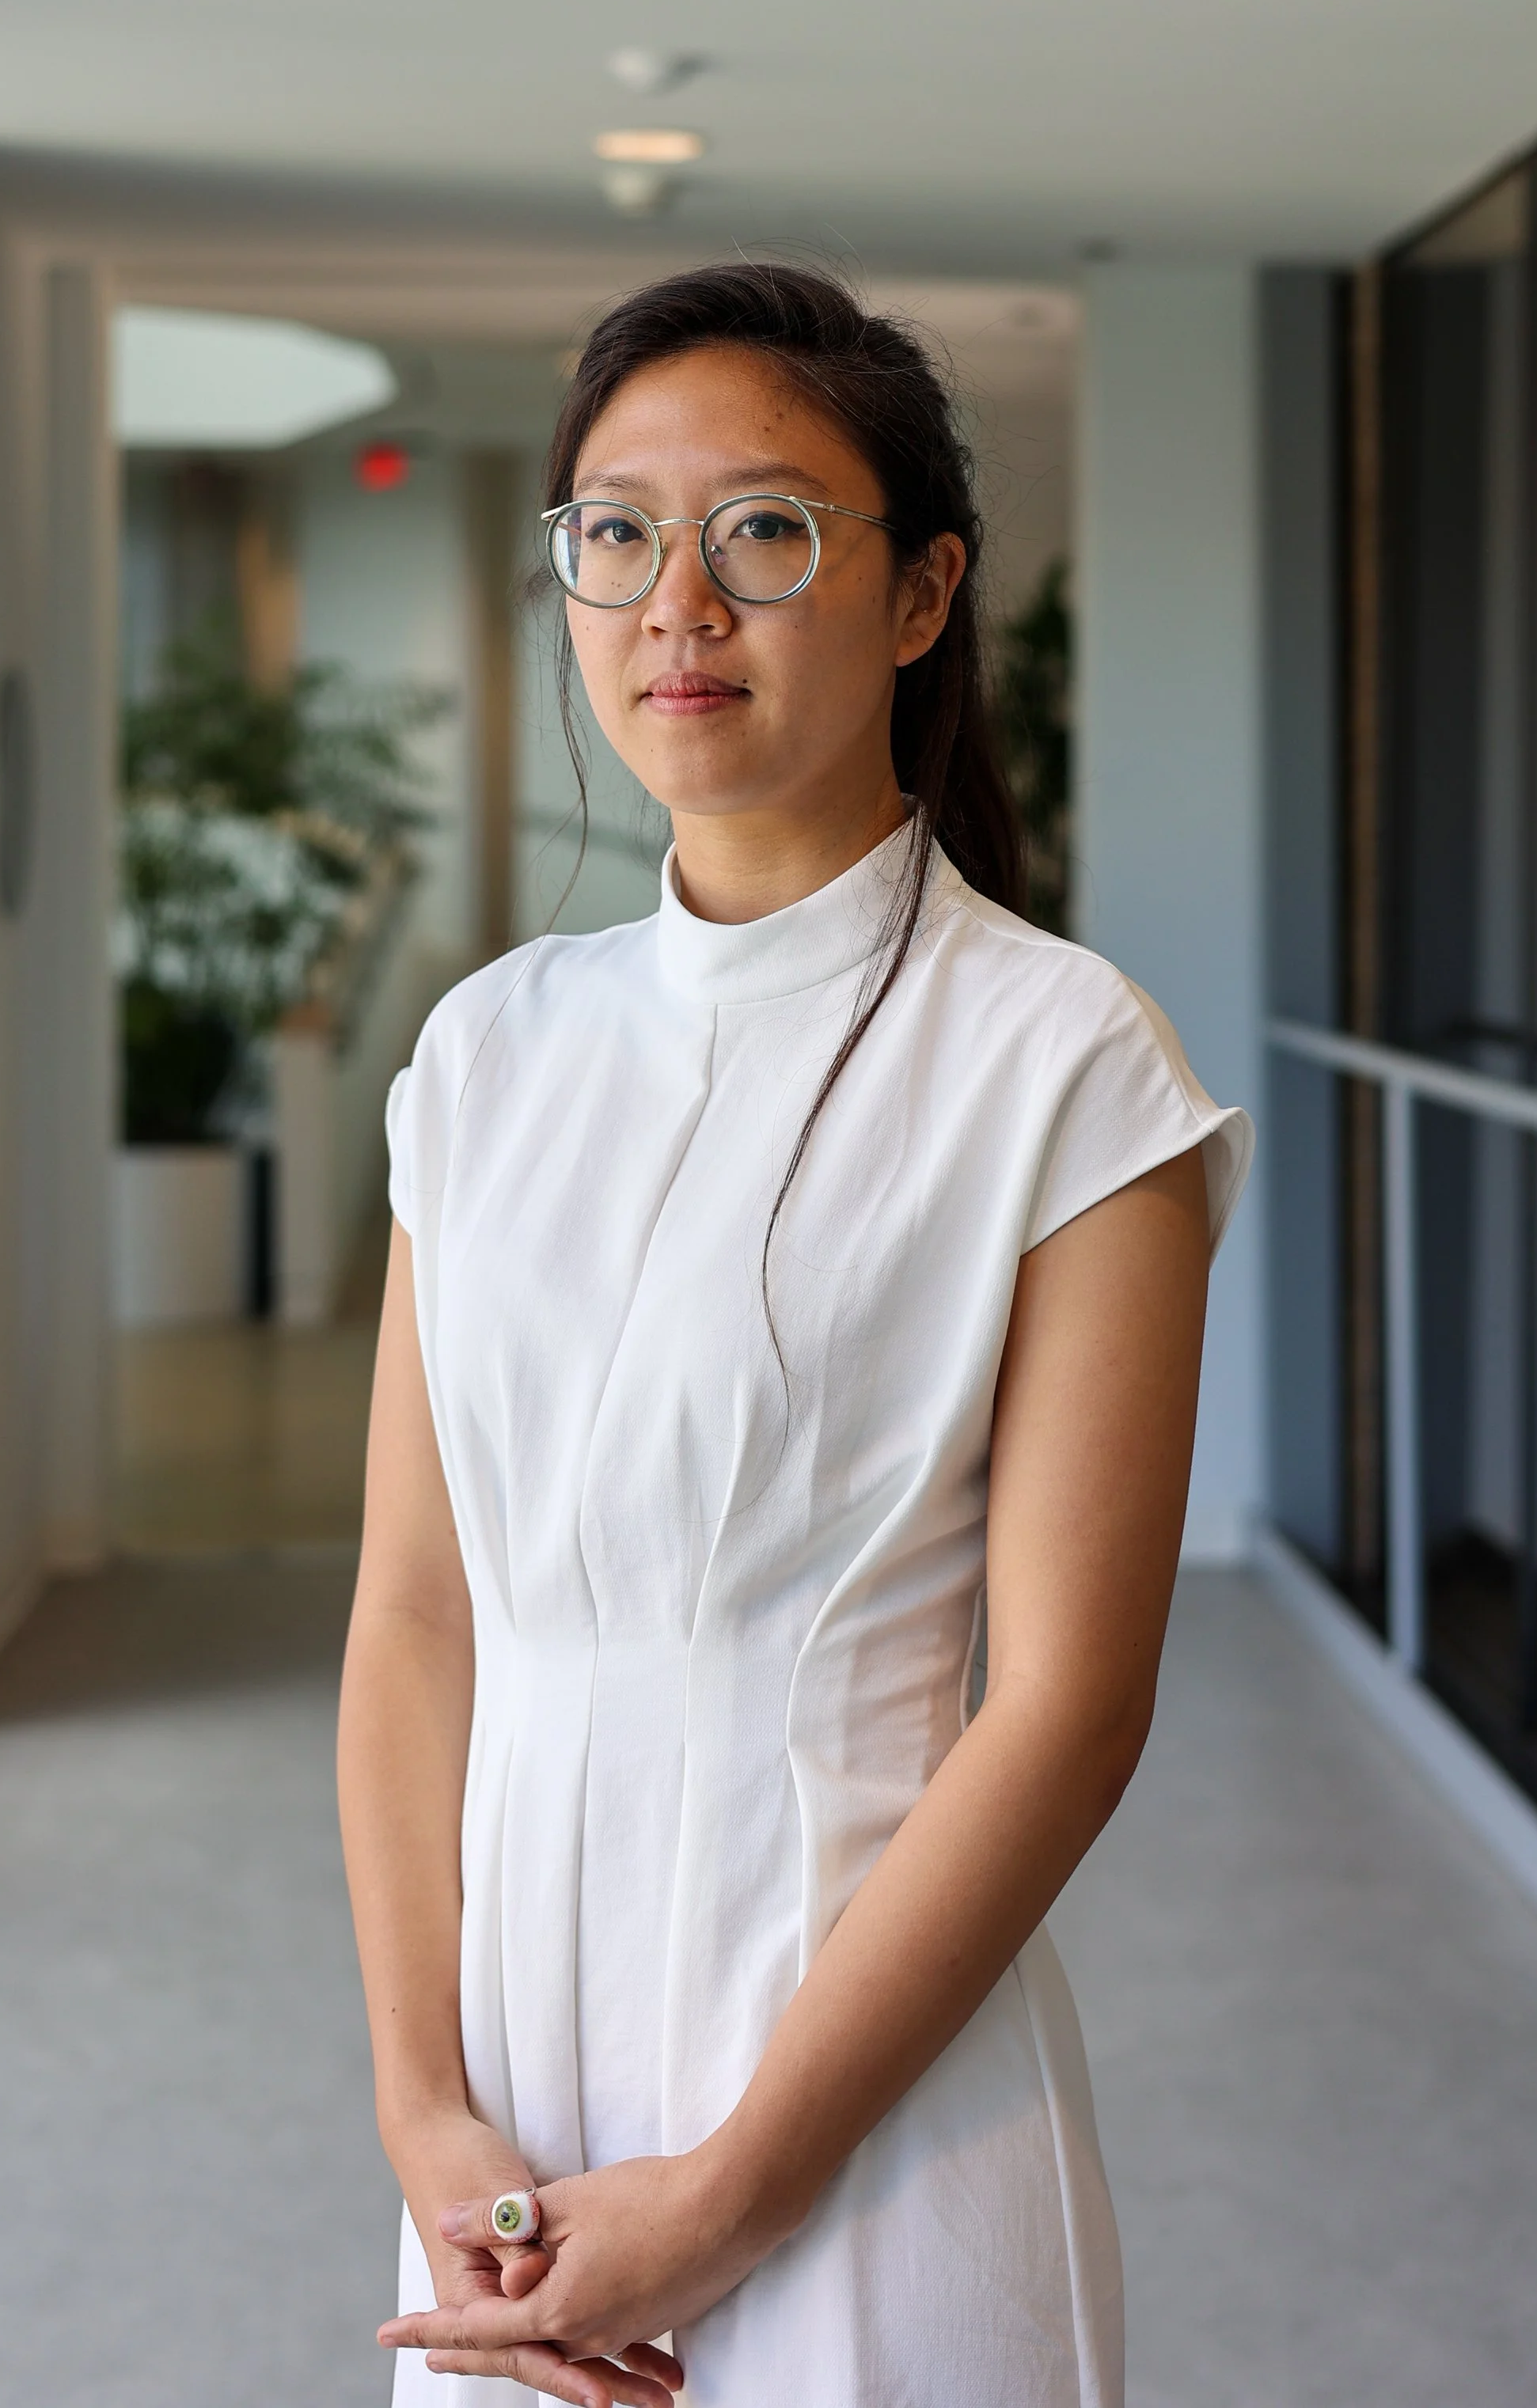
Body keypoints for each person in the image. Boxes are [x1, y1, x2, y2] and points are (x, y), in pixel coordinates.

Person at [338, 263, 1251, 2406]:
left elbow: (1070, 1705)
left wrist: (740, 2184)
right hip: (506, 2149)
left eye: (763, 529)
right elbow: (416, 1616)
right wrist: (423, 2111)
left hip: (867, 2115)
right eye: (616, 532)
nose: (679, 603)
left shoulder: (1062, 1059)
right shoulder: (483, 1054)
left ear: (922, 593)